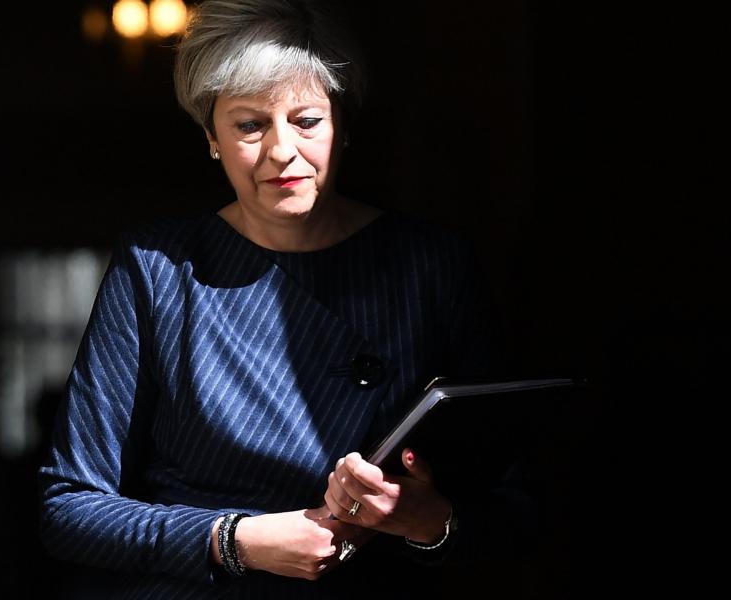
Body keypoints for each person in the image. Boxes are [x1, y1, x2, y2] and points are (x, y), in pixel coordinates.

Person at [38, 1, 530, 597]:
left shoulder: (432, 265)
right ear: (211, 137)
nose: (281, 151)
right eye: (249, 125)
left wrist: (429, 521)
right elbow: (69, 506)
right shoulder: (157, 267)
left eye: (306, 120)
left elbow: (517, 507)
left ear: (342, 123)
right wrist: (232, 540)